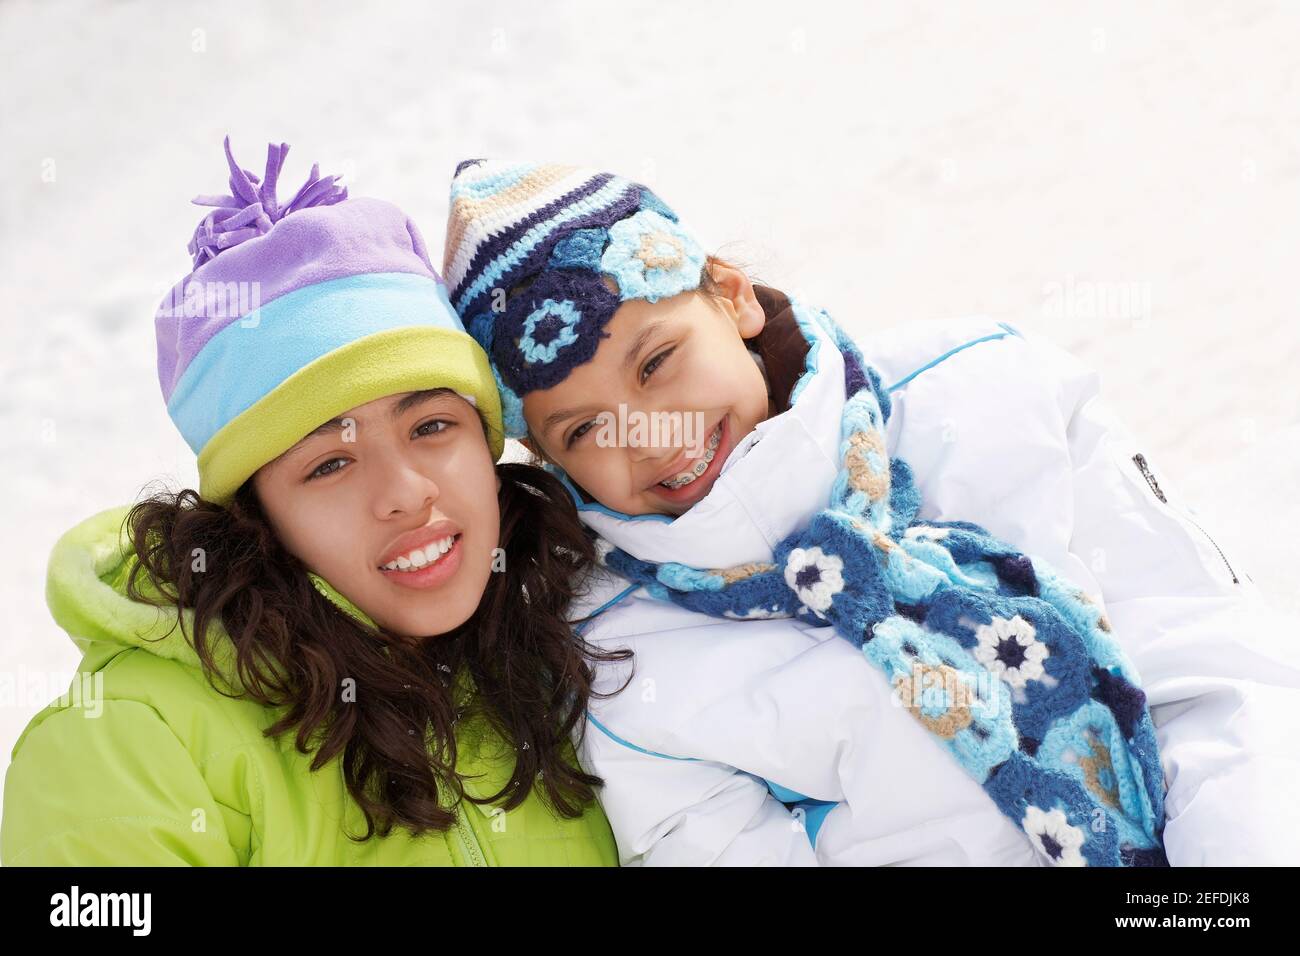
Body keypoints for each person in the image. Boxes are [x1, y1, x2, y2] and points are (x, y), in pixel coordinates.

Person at [438, 159, 1300, 866]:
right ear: (547, 458)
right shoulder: (622, 658)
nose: (649, 434)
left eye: (658, 361)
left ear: (731, 297)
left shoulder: (989, 390)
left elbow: (1211, 666)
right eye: (585, 427)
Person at [0, 139, 627, 866]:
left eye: (431, 426)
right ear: (254, 515)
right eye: (330, 464)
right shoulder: (131, 743)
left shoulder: (569, 657)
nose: (404, 494)